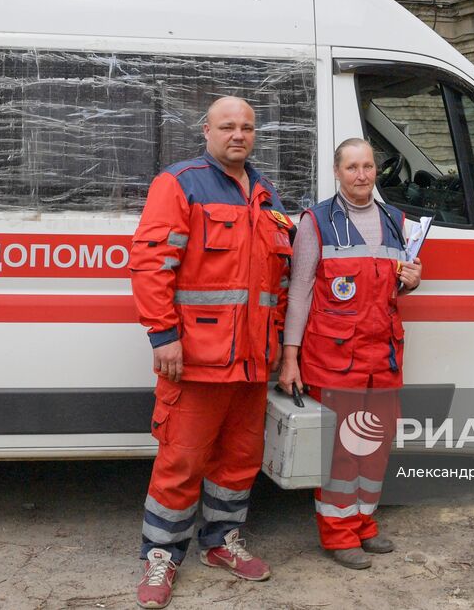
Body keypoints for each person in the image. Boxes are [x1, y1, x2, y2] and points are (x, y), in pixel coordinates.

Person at [129, 96, 295, 609]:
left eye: (247, 126)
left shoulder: (265, 195)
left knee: (240, 458)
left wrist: (282, 351)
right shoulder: (179, 183)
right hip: (196, 358)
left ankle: (221, 542)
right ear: (207, 131)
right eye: (228, 126)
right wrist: (164, 336)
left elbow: (279, 284)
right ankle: (161, 554)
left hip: (251, 361)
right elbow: (150, 263)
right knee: (182, 460)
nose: (238, 135)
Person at [277, 138, 422, 570]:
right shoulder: (316, 222)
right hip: (333, 359)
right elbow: (299, 294)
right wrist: (290, 358)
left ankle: (363, 523)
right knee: (341, 452)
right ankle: (338, 534)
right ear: (337, 172)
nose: (362, 175)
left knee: (375, 447)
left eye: (369, 166)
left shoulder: (398, 222)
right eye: (352, 167)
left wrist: (411, 280)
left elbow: (391, 289)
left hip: (383, 358)